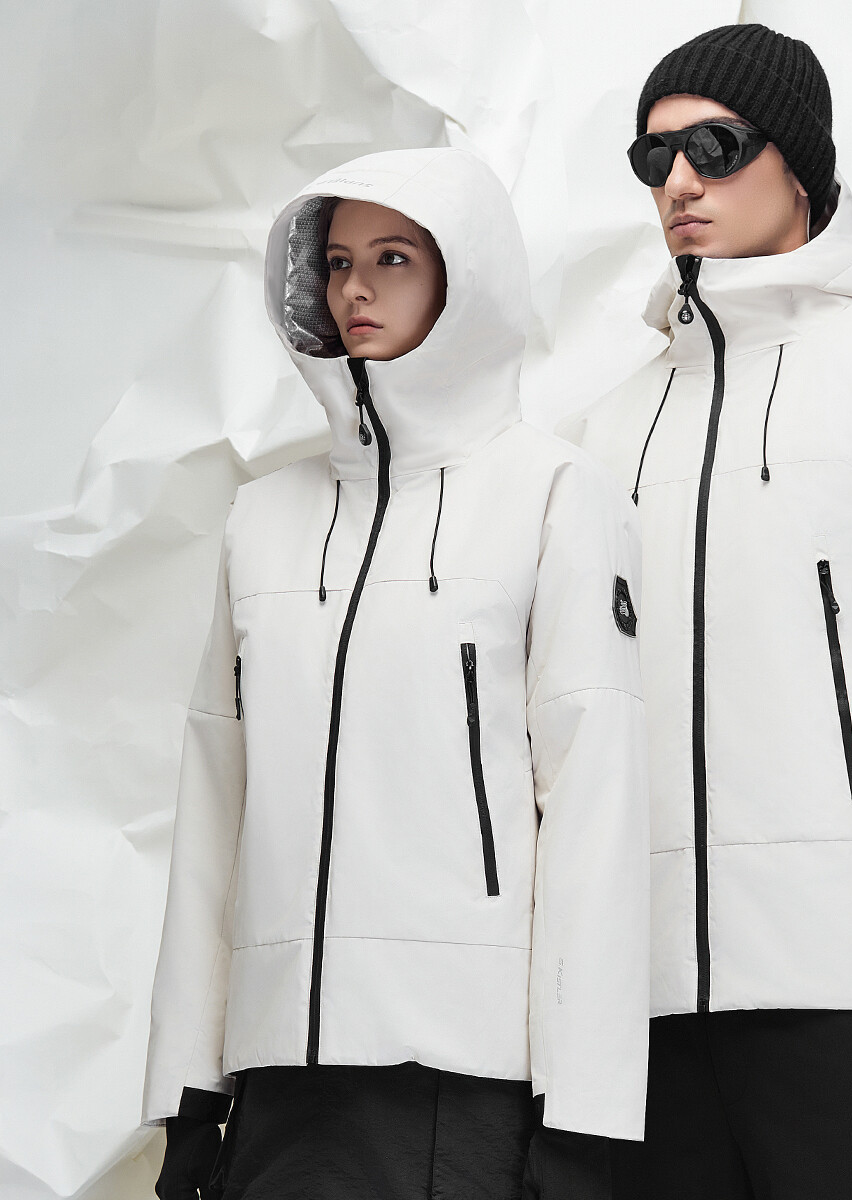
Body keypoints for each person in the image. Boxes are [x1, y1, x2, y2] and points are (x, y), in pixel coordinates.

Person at [560, 23, 852, 1200]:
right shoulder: (614, 424)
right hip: (649, 1012)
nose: (680, 182)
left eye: (716, 147)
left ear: (800, 163)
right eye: (655, 157)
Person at [142, 146, 650, 1200]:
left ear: (467, 277)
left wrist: (586, 1120)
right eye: (336, 262)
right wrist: (188, 1091)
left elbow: (595, 810)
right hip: (278, 1080)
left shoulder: (554, 495)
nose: (355, 290)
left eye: (393, 258)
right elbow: (217, 808)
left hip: (462, 1085)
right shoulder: (263, 518)